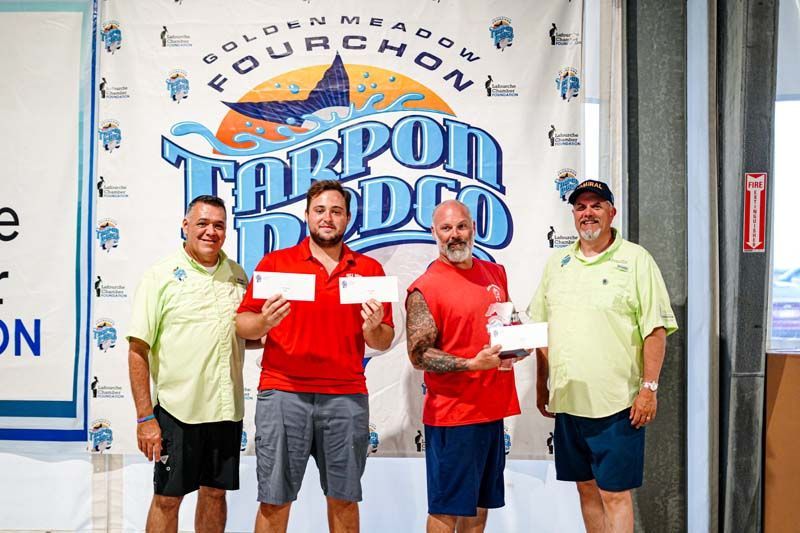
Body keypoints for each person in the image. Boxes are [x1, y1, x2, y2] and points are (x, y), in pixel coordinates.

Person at [235, 180, 394, 533]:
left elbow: (384, 340)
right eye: (320, 210)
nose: (327, 218)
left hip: (346, 396)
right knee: (274, 499)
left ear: (348, 218)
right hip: (282, 393)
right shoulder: (277, 263)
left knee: (344, 498)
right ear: (306, 215)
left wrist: (373, 328)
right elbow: (243, 325)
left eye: (336, 211)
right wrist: (263, 321)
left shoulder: (369, 270)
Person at [528, 180, 678, 533]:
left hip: (617, 406)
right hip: (568, 402)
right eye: (581, 207)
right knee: (585, 488)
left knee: (615, 494)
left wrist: (649, 389)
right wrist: (542, 384)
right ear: (573, 215)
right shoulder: (558, 263)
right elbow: (540, 330)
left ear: (612, 212)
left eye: (597, 205)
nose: (588, 213)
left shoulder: (636, 260)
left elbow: (655, 330)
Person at [127, 195, 248, 533]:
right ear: (185, 226)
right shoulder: (160, 276)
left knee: (215, 495)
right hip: (177, 412)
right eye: (203, 224)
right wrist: (144, 417)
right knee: (167, 498)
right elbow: (138, 348)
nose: (211, 231)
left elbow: (247, 334)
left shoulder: (237, 275)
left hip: (226, 411)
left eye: (219, 225)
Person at [405, 200, 521, 533]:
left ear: (473, 228)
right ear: (434, 233)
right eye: (446, 228)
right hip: (453, 416)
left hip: (491, 410)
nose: (454, 235)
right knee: (446, 509)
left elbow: (501, 325)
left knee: (479, 509)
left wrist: (514, 347)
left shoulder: (495, 273)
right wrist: (472, 363)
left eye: (461, 226)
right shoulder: (425, 287)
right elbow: (419, 354)